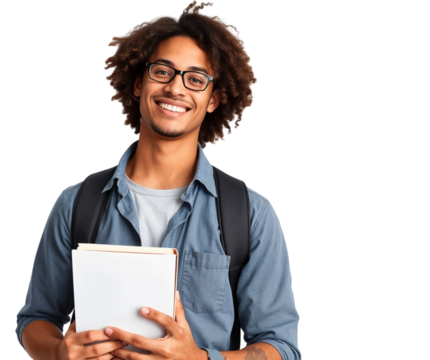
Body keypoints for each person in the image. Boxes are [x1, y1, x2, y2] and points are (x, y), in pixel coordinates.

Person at [15, 1, 300, 359]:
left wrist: (199, 359)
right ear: (138, 83)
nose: (176, 89)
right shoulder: (76, 202)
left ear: (213, 100)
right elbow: (36, 319)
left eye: (196, 79)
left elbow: (281, 347)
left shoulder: (250, 213)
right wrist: (58, 352)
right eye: (163, 71)